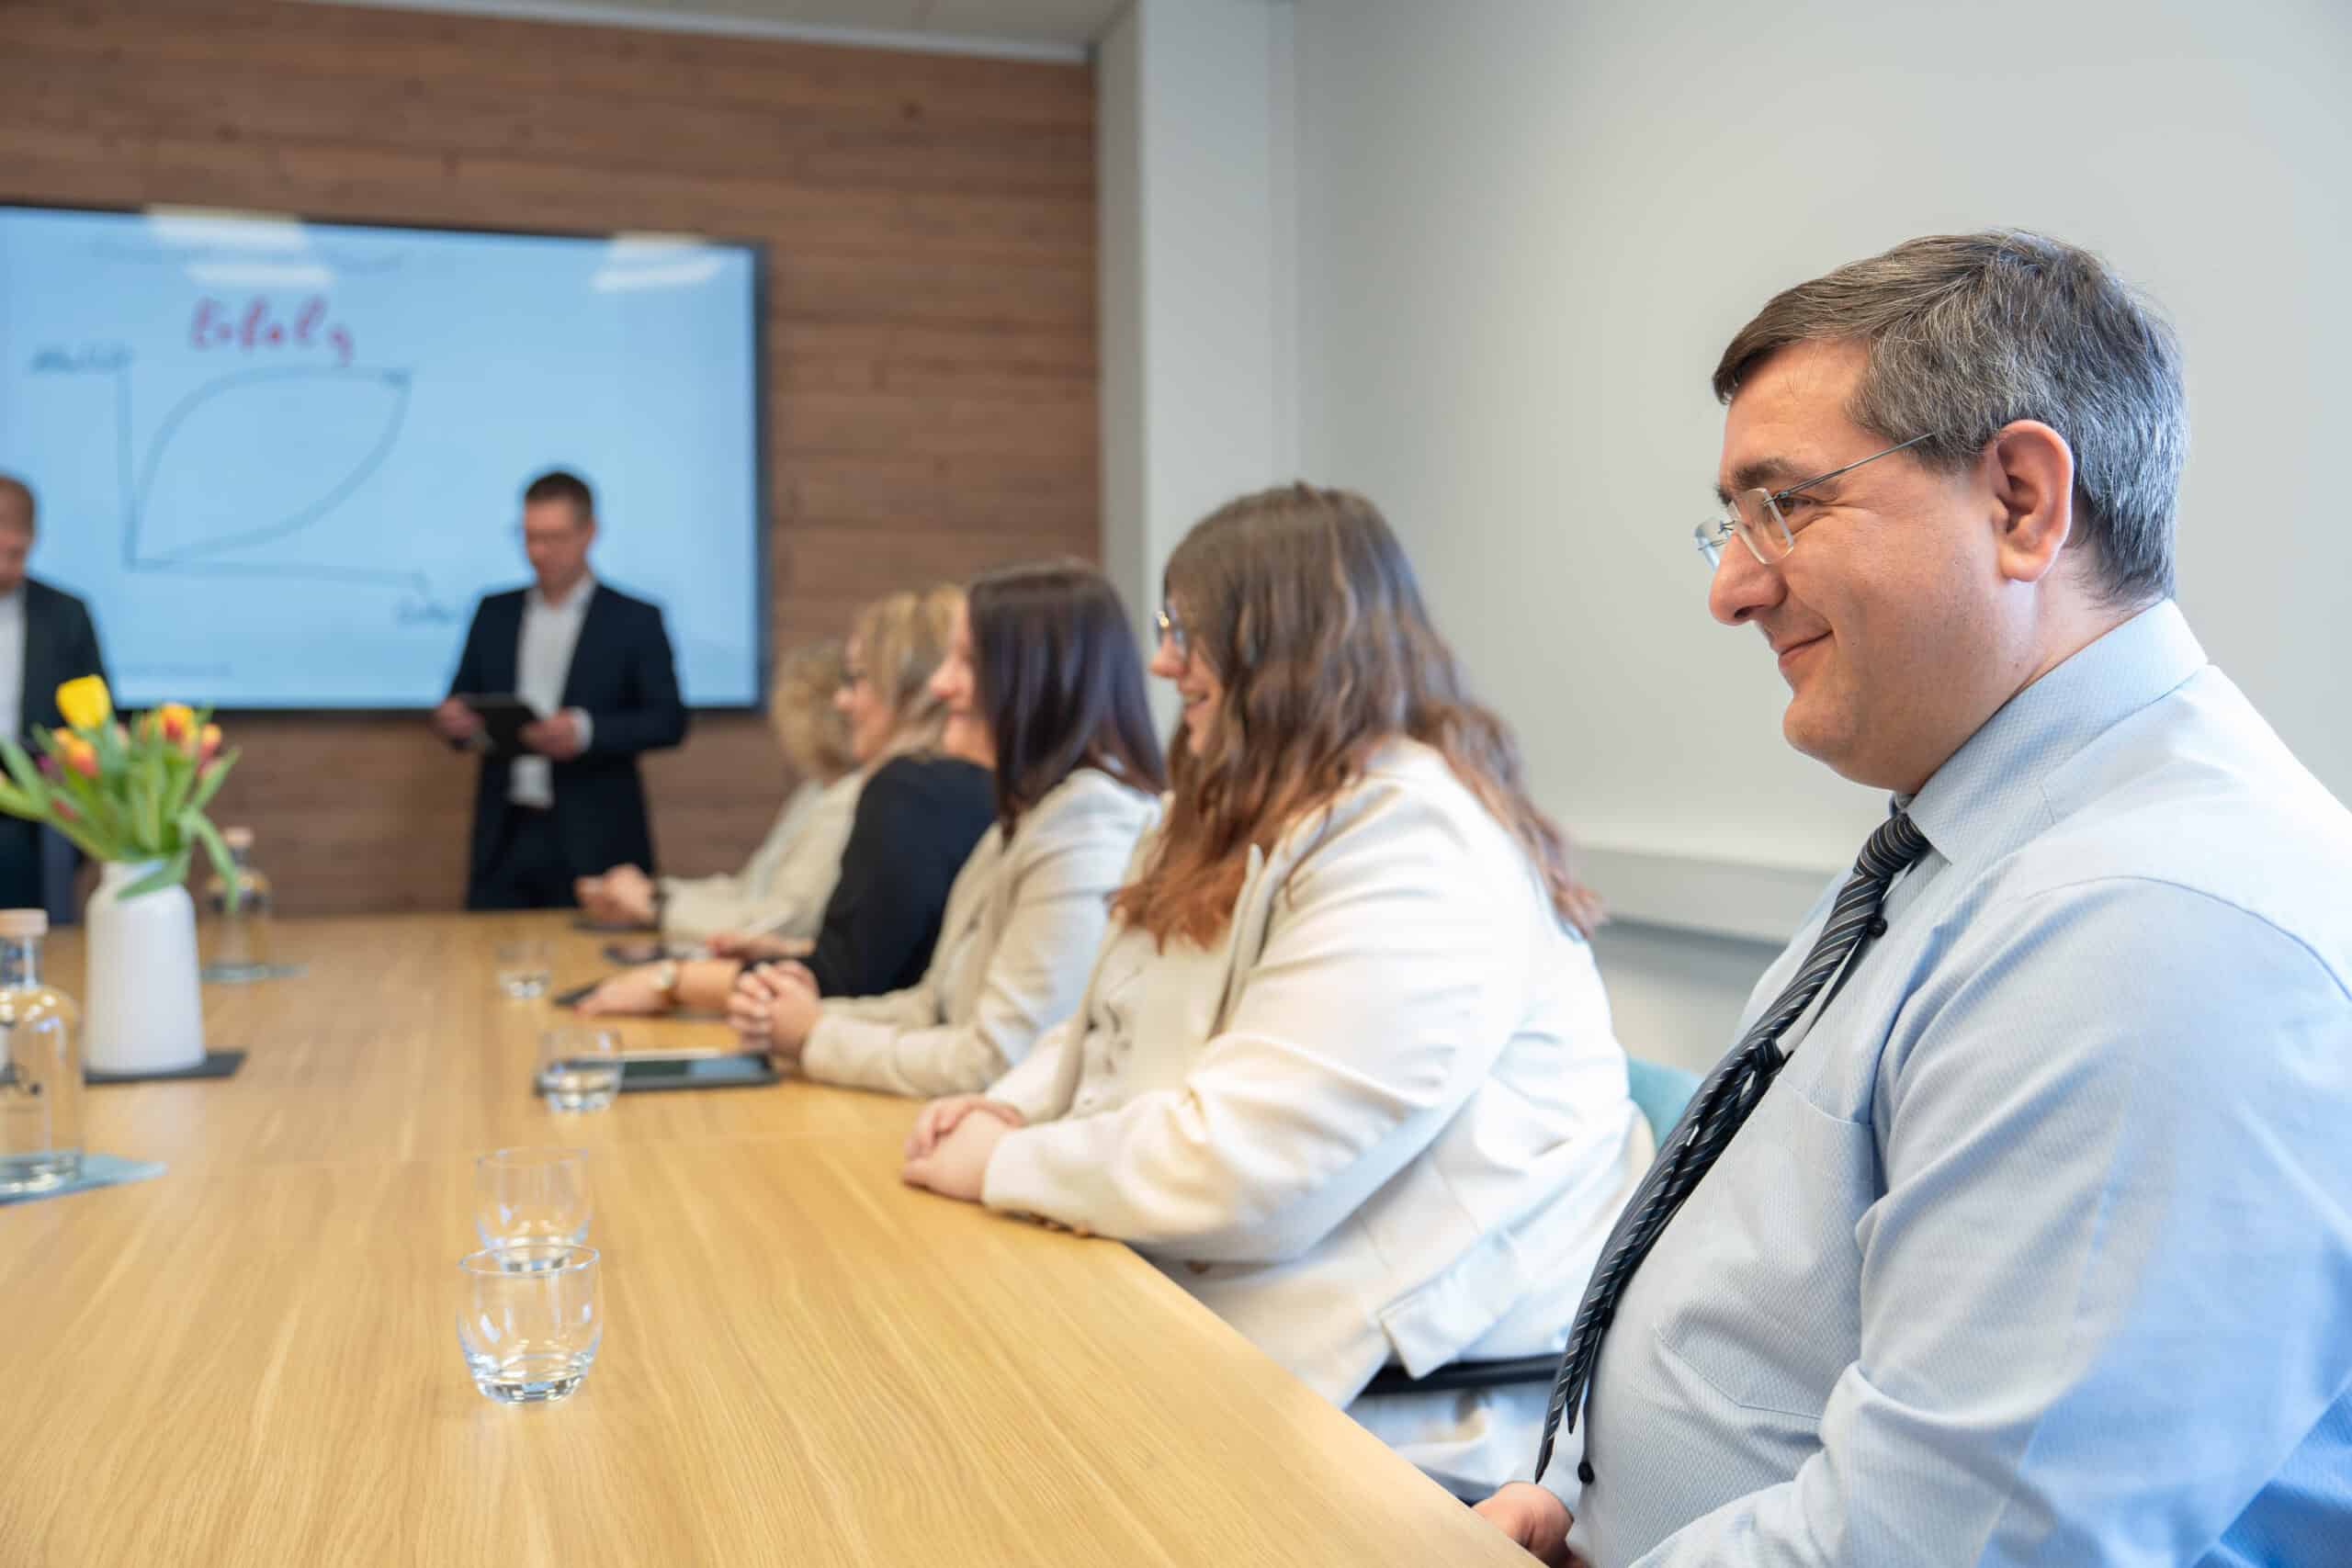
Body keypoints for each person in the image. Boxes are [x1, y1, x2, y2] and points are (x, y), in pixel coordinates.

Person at [1475, 231, 2352, 1567]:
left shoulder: (2156, 930)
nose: (1731, 586)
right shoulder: (1966, 846)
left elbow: (1964, 1542)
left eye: (1788, 504)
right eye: (1732, 519)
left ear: (2019, 501)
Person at [900, 486, 1648, 1498]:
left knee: (944, 1448)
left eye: (1187, 632)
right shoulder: (1237, 804)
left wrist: (1006, 1162)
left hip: (1388, 1418)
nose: (1164, 663)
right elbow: (1107, 1016)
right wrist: (1012, 1105)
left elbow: (1248, 1172)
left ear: (1291, 641)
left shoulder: (1416, 845)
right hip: (1214, 1312)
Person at [728, 562, 1164, 1098]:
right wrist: (802, 1014)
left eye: (968, 662)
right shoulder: (1029, 819)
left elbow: (999, 1060)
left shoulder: (1085, 834)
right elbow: (935, 1005)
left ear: (1037, 679)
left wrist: (815, 1035)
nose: (940, 684)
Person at [581, 585, 994, 1017]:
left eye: (859, 679)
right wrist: (792, 950)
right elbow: (902, 961)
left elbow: (848, 979)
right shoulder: (953, 787)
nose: (842, 701)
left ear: (910, 690)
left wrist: (674, 980)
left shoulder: (908, 790)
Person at [431, 469, 686, 910]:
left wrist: (586, 731)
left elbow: (669, 720)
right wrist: (455, 722)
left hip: (596, 836)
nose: (538, 551)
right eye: (529, 537)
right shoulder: (495, 613)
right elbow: (463, 701)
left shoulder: (634, 619)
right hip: (507, 832)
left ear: (589, 533)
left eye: (553, 537)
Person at [575, 641, 861, 946]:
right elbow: (747, 890)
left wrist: (655, 906)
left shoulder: (847, 802)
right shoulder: (816, 790)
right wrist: (652, 893)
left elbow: (777, 923)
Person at [0, 474, 110, 917]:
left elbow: (96, 721)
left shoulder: (65, 614)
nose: (5, 566)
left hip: (35, 803)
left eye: (15, 553)